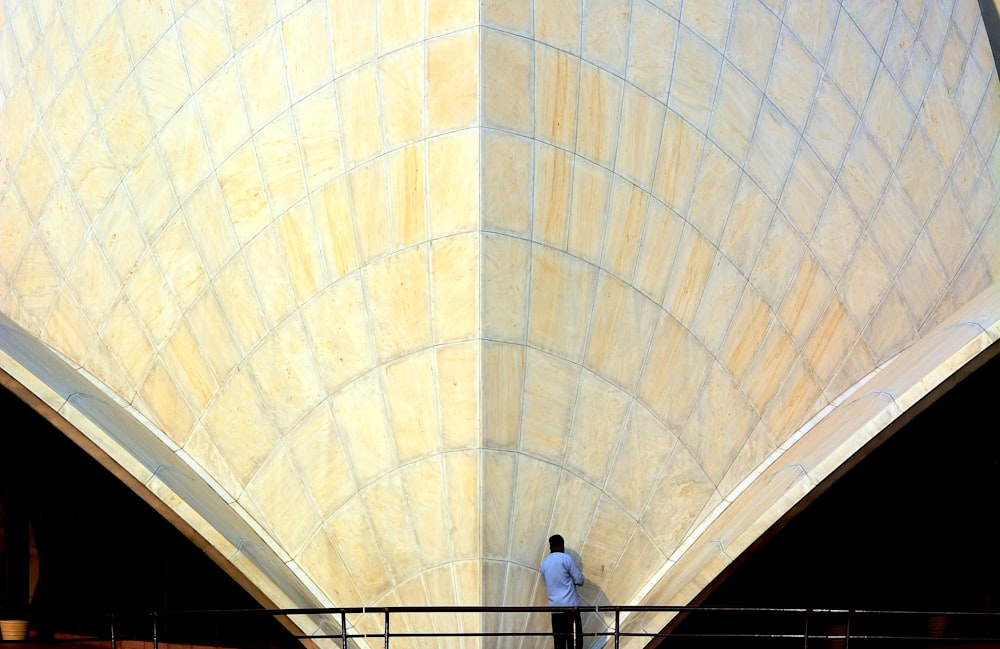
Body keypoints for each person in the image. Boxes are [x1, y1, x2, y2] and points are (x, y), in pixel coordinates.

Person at [539, 534, 584, 649]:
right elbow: (579, 580)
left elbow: (547, 583)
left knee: (559, 643)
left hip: (556, 610)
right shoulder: (566, 559)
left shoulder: (544, 564)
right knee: (575, 642)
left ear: (550, 547)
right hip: (571, 609)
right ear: (562, 545)